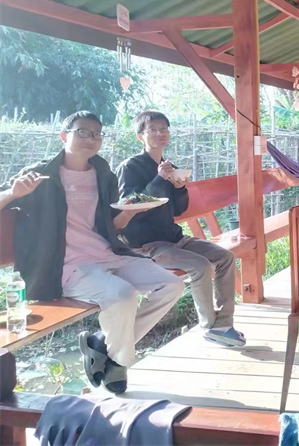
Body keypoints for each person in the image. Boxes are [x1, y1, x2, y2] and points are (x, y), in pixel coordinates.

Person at [0, 111, 183, 393]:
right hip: (67, 264)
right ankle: (118, 364)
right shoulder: (41, 174)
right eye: (83, 132)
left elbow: (113, 224)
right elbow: (6, 197)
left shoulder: (102, 173)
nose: (91, 139)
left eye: (97, 134)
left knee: (171, 285)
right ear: (64, 136)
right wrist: (14, 193)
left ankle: (101, 344)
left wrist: (131, 212)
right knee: (122, 294)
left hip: (108, 252)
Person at [117, 111, 245, 347]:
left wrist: (179, 188)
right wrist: (159, 180)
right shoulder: (130, 167)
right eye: (153, 129)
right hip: (147, 245)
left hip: (174, 238)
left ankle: (223, 324)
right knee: (200, 266)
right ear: (140, 136)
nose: (160, 133)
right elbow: (130, 205)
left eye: (164, 128)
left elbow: (179, 210)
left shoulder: (170, 167)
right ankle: (209, 326)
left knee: (225, 257)